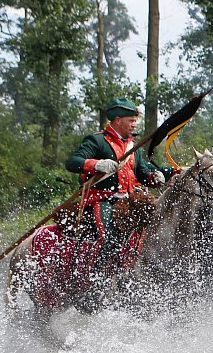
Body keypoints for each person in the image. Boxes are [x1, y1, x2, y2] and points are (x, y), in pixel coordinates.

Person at [64, 97, 169, 274]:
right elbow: (72, 162)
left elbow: (143, 174)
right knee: (108, 238)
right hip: (104, 200)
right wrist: (96, 164)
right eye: (131, 121)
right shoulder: (97, 141)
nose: (134, 125)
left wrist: (154, 177)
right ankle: (95, 281)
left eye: (135, 121)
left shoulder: (133, 146)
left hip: (131, 201)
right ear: (118, 120)